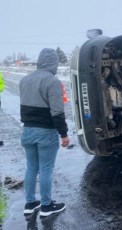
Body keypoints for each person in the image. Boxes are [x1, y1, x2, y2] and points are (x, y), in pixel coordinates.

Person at [19, 48, 70, 217]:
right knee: (46, 168)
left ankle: (30, 203)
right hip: (45, 132)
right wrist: (63, 134)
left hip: (27, 130)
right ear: (54, 63)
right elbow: (57, 112)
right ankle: (47, 206)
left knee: (31, 167)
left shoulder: (24, 80)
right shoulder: (52, 81)